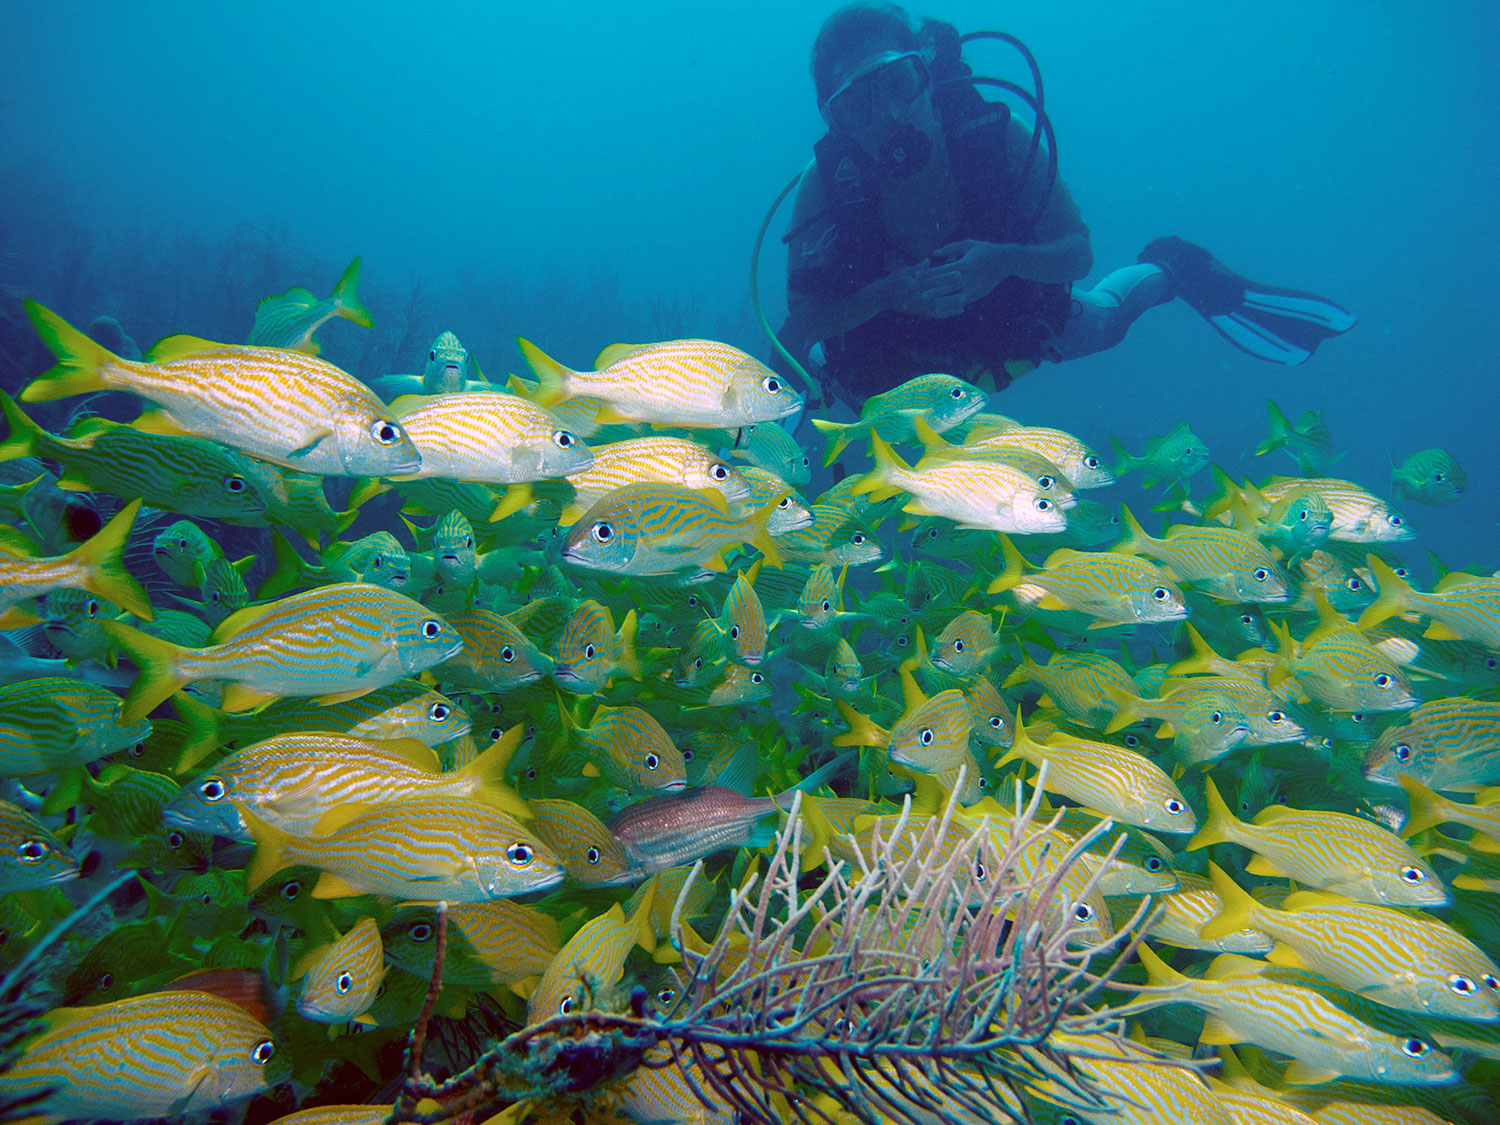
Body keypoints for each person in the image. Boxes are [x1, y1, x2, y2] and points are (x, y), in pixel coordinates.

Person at [778, 3, 1356, 405]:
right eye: (858, 105)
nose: (890, 116)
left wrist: (1001, 261)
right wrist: (889, 293)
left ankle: (1172, 266)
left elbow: (1077, 252)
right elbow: (801, 323)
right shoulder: (824, 186)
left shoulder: (995, 137)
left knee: (1108, 315)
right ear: (836, 121)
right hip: (888, 381)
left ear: (926, 75)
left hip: (1011, 332)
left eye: (899, 83)